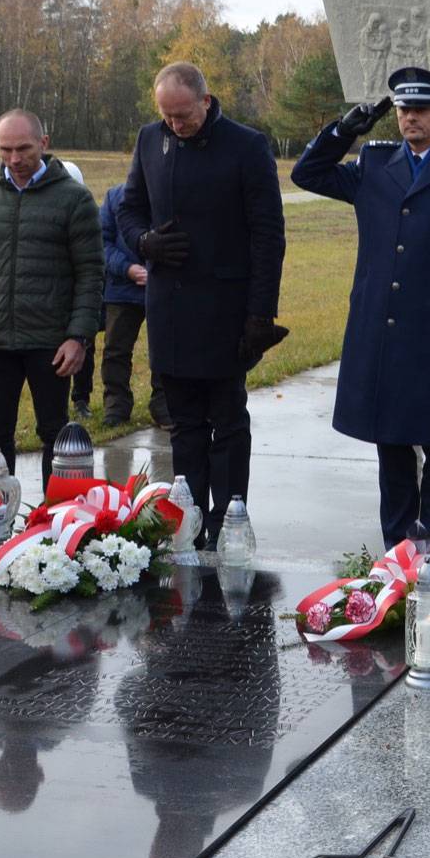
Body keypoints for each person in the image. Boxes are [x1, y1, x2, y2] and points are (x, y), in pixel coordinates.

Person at [291, 66, 430, 549]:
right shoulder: (374, 163)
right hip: (382, 329)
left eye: (422, 109)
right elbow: (307, 173)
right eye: (404, 109)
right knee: (392, 445)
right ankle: (397, 549)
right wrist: (344, 130)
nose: (411, 117)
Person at [118, 62, 286, 544]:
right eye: (167, 116)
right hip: (169, 307)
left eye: (184, 114)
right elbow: (129, 209)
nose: (176, 125)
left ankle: (229, 520)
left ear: (206, 101)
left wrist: (260, 314)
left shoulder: (246, 146)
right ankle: (188, 521)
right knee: (183, 422)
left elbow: (267, 236)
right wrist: (144, 242)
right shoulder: (150, 139)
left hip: (226, 309)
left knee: (227, 421)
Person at [0, 110, 103, 489]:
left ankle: (56, 525)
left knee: (55, 432)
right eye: (5, 149)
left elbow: (91, 274)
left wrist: (78, 336)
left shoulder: (74, 199)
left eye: (24, 149)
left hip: (51, 342)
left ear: (44, 144)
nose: (15, 159)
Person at [99, 182, 171, 430]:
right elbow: (102, 243)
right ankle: (116, 406)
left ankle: (163, 407)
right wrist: (127, 269)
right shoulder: (114, 196)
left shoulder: (171, 192)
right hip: (122, 289)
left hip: (164, 286)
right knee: (115, 350)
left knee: (165, 348)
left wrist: (158, 271)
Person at [60, 159, 96, 419]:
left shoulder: (88, 214)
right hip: (54, 298)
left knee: (86, 350)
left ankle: (81, 399)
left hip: (79, 296)